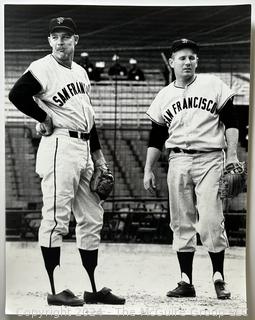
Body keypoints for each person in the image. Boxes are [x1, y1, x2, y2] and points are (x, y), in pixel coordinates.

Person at [9, 17, 125, 306]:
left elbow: (90, 120)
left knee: (91, 218)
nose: (61, 41)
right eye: (55, 36)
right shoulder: (42, 67)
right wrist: (43, 118)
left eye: (66, 36)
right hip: (60, 144)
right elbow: (16, 94)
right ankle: (55, 287)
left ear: (76, 40)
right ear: (50, 41)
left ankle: (92, 287)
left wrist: (99, 159)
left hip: (84, 146)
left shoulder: (81, 72)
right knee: (57, 217)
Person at [143, 38, 239, 300]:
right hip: (178, 160)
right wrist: (148, 169)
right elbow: (156, 137)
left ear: (197, 61)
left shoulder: (213, 85)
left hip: (210, 159)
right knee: (181, 221)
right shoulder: (164, 95)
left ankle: (218, 276)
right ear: (171, 62)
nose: (187, 61)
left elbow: (232, 121)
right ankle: (185, 281)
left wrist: (232, 154)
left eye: (192, 57)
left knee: (209, 219)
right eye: (182, 57)